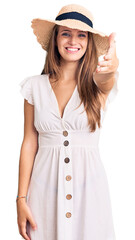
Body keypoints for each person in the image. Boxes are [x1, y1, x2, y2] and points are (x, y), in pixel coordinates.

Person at [16, 3, 119, 240]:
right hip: (43, 192)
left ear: (88, 42)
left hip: (89, 194)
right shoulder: (34, 87)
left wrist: (112, 65)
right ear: (55, 39)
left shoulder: (97, 84)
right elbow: (29, 143)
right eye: (66, 33)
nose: (73, 41)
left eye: (81, 35)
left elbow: (107, 78)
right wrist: (21, 200)